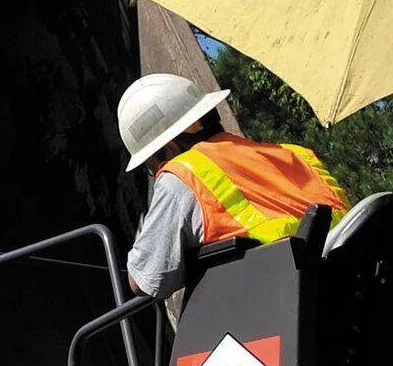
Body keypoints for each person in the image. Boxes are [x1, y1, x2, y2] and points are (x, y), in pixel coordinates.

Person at [116, 73, 351, 300]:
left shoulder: (183, 175)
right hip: (359, 296)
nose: (156, 173)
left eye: (151, 166)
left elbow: (147, 280)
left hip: (287, 310)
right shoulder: (296, 155)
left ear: (170, 148)